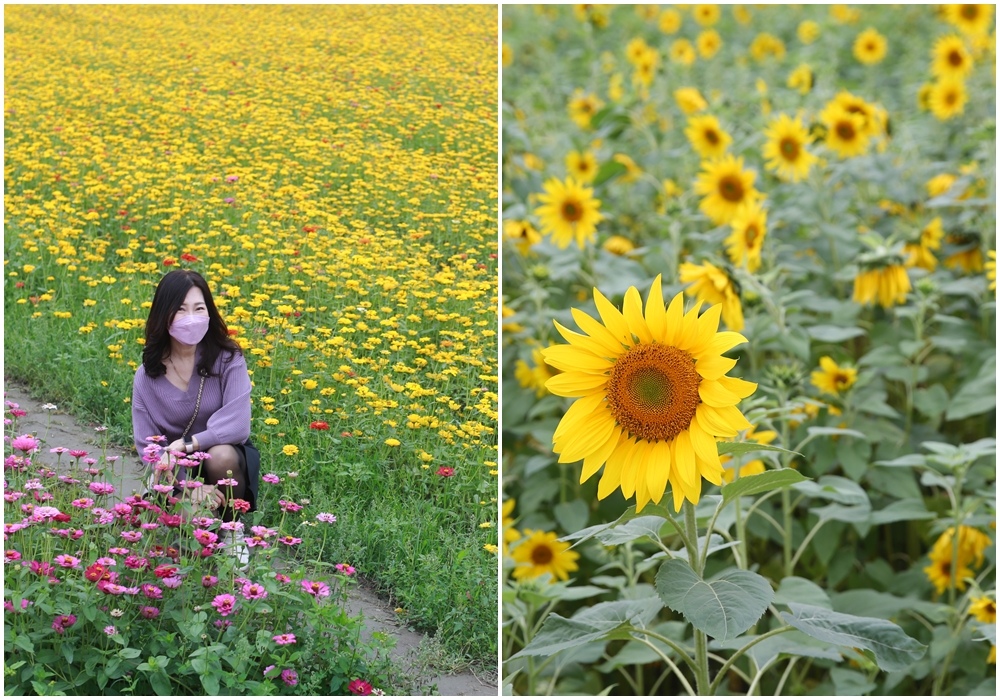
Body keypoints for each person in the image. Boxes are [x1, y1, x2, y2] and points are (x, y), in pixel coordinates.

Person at [131, 269, 259, 526]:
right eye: (180, 309)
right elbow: (148, 447)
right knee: (198, 524)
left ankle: (233, 527)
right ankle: (207, 523)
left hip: (222, 460)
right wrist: (188, 486)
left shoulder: (228, 359)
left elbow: (238, 426)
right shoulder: (147, 376)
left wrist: (184, 444)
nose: (191, 318)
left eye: (199, 308)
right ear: (163, 315)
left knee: (222, 455)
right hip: (173, 474)